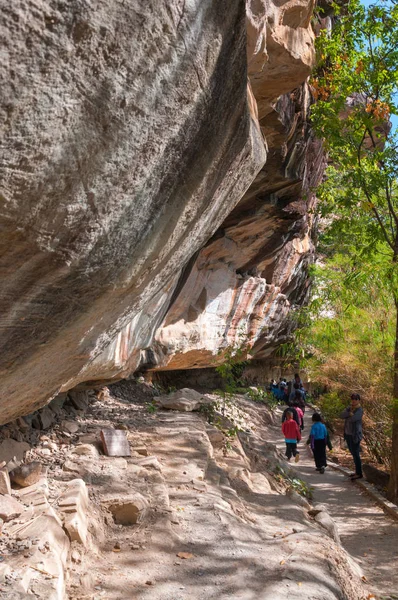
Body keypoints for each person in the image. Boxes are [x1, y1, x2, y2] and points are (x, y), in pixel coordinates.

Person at [340, 393, 363, 480]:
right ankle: (356, 471)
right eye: (352, 399)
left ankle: (359, 473)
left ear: (358, 400)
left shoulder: (359, 410)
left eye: (356, 399)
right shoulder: (349, 408)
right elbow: (341, 415)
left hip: (355, 435)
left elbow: (354, 419)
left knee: (356, 454)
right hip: (348, 434)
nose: (354, 400)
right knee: (353, 453)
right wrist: (348, 414)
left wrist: (348, 415)